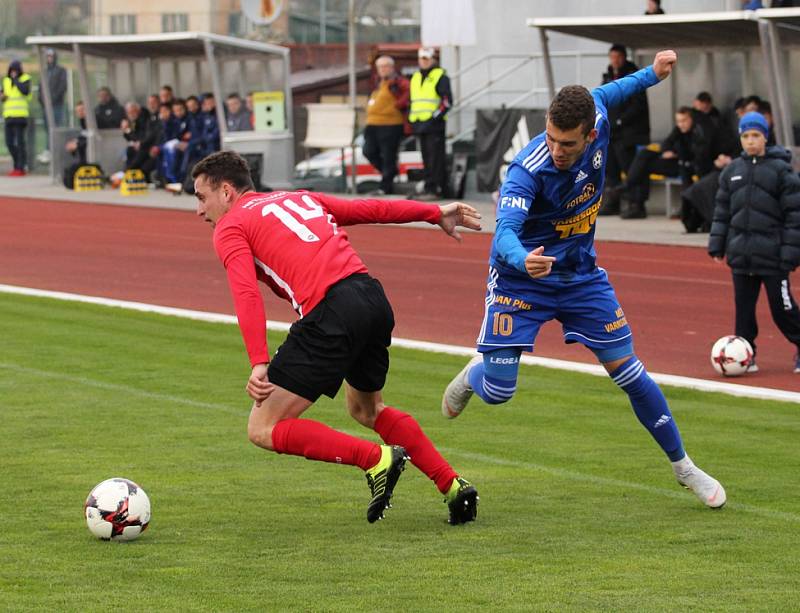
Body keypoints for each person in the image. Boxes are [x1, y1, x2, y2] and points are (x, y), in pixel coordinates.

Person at [441, 50, 727, 510]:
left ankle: (683, 467)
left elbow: (618, 90)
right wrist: (522, 259)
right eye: (551, 139)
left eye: (567, 144)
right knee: (498, 392)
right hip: (523, 279)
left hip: (579, 277)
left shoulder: (597, 114)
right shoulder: (526, 171)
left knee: (630, 373)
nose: (556, 150)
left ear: (590, 133)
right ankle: (477, 374)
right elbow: (505, 233)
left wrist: (653, 74)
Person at [191, 150, 481, 524]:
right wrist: (431, 212)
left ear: (226, 192)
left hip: (332, 311)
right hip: (372, 298)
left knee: (263, 427)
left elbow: (246, 293)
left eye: (201, 197)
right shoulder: (298, 198)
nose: (199, 210)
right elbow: (369, 209)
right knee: (366, 409)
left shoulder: (231, 227)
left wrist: (259, 361)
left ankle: (376, 459)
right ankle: (452, 485)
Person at [708, 111, 800, 373]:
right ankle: (746, 354)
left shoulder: (782, 171)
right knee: (744, 313)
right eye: (746, 136)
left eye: (756, 135)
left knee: (782, 308)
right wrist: (718, 244)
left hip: (773, 257)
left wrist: (790, 253)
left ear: (765, 137)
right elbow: (722, 211)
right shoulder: (732, 172)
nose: (750, 141)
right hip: (741, 256)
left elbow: (795, 214)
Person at [618, 106, 716, 219]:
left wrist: (677, 153)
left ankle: (627, 187)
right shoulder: (679, 130)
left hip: (692, 165)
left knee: (678, 166)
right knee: (644, 160)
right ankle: (637, 203)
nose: (681, 124)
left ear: (691, 119)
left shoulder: (699, 131)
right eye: (678, 121)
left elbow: (698, 154)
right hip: (677, 163)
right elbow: (666, 143)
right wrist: (670, 151)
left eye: (684, 120)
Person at [599, 44, 650, 216]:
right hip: (612, 133)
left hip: (630, 134)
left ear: (624, 57)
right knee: (610, 168)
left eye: (618, 57)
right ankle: (613, 201)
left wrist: (620, 121)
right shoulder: (607, 76)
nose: (615, 60)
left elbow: (638, 105)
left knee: (632, 170)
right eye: (612, 57)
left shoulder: (634, 77)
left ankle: (636, 204)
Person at [409, 47, 452, 200]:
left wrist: (434, 119)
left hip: (434, 126)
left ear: (433, 59)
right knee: (426, 159)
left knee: (436, 159)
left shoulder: (440, 76)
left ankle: (436, 189)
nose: (424, 61)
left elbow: (446, 102)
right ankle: (429, 187)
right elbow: (413, 101)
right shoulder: (415, 77)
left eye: (426, 58)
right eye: (421, 58)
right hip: (419, 124)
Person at [363, 55, 409, 195]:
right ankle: (388, 174)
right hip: (372, 124)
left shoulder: (398, 82)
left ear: (392, 67)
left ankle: (385, 186)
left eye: (385, 66)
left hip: (390, 124)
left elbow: (408, 93)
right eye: (380, 67)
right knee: (368, 151)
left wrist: (397, 105)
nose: (382, 69)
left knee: (389, 155)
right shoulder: (379, 82)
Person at [36, 48, 68, 164]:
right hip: (46, 106)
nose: (49, 59)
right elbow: (41, 87)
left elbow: (62, 87)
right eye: (48, 57)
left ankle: (54, 150)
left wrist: (52, 100)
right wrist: (42, 100)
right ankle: (48, 149)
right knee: (47, 129)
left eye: (51, 56)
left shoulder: (61, 71)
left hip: (56, 105)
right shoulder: (45, 72)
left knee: (55, 127)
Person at [2, 60, 32, 176]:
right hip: (9, 116)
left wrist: (16, 81)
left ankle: (21, 167)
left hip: (20, 115)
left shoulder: (25, 79)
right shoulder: (6, 80)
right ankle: (16, 165)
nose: (13, 72)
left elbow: (25, 92)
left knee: (20, 143)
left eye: (15, 70)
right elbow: (3, 94)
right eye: (11, 70)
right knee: (9, 143)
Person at [122, 101, 152, 171]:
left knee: (138, 151)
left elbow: (141, 136)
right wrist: (125, 131)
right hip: (139, 145)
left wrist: (128, 131)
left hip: (147, 145)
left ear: (138, 110)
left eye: (133, 112)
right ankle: (128, 171)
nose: (131, 114)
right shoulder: (134, 120)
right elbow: (130, 138)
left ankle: (127, 171)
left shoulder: (144, 119)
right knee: (129, 150)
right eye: (129, 113)